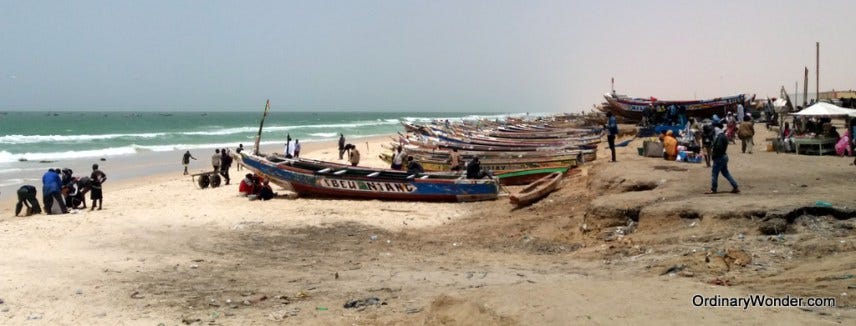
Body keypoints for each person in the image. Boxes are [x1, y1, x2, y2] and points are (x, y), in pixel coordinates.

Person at [707, 122, 739, 194]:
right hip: (723, 156)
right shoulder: (723, 136)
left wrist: (713, 152)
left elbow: (718, 147)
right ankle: (735, 186)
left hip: (719, 157)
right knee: (726, 173)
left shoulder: (720, 137)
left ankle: (713, 189)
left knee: (714, 174)